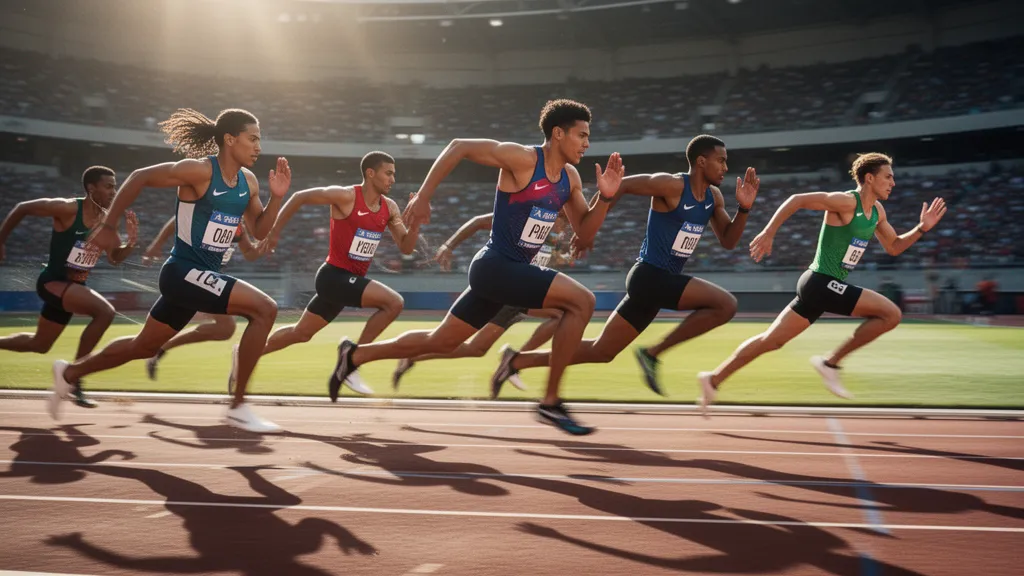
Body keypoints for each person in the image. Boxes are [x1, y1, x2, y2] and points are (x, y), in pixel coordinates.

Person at [330, 99, 623, 435]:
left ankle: (353, 356)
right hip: (495, 266)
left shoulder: (569, 178)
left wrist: (606, 197)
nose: (587, 143)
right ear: (558, 133)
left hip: (508, 274)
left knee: (440, 342)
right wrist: (423, 196)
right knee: (581, 302)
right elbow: (459, 147)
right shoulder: (524, 160)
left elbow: (584, 231)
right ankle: (551, 402)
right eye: (581, 135)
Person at [50, 108, 292, 433]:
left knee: (143, 347)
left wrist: (276, 199)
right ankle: (238, 406)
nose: (259, 147)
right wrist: (109, 224)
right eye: (253, 138)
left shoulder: (248, 182)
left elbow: (259, 230)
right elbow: (139, 176)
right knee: (265, 309)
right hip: (181, 271)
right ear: (230, 139)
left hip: (195, 281)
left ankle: (68, 374)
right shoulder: (199, 171)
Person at [492, 135, 758, 397]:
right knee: (725, 305)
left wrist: (744, 209)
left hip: (659, 284)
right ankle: (652, 353)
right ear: (701, 161)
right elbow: (619, 186)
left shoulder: (714, 198)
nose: (725, 168)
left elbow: (728, 240)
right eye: (720, 161)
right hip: (649, 277)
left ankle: (516, 360)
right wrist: (588, 231)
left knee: (601, 351)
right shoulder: (672, 185)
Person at [699, 153, 947, 411]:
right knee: (891, 314)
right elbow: (797, 200)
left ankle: (713, 380)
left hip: (822, 287)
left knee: (770, 341)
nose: (893, 183)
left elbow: (894, 246)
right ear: (870, 178)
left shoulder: (877, 213)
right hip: (819, 282)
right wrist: (768, 232)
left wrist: (921, 228)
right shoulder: (844, 202)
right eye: (888, 177)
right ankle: (830, 364)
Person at [256, 151, 421, 396]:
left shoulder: (390, 207)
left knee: (301, 333)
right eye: (388, 173)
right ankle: (353, 360)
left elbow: (406, 247)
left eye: (394, 174)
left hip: (346, 283)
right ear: (370, 173)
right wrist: (275, 232)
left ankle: (247, 351)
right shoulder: (346, 196)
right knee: (393, 303)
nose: (393, 179)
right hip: (333, 277)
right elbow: (300, 197)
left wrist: (415, 221)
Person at [0, 166, 138, 413]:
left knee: (39, 344)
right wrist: (1, 240)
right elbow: (23, 208)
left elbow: (115, 257)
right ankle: (74, 378)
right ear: (91, 188)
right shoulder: (66, 209)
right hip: (52, 283)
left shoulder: (108, 221)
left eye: (115, 186)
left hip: (73, 289)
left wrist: (130, 244)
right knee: (105, 312)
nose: (113, 191)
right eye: (108, 186)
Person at [391, 211, 570, 392]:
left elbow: (545, 257)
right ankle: (514, 361)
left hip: (520, 293)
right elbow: (478, 221)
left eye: (566, 225)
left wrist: (563, 258)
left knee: (475, 348)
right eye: (564, 221)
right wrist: (448, 245)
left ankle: (514, 361)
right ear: (557, 213)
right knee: (462, 344)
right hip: (506, 290)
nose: (564, 228)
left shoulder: (552, 234)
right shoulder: (527, 216)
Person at [140, 215, 261, 381]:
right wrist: (156, 245)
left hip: (209, 276)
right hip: (194, 273)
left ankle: (159, 349)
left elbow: (250, 253)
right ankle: (240, 365)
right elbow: (179, 219)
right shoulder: (215, 211)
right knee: (247, 315)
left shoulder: (238, 223)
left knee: (226, 328)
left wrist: (263, 245)